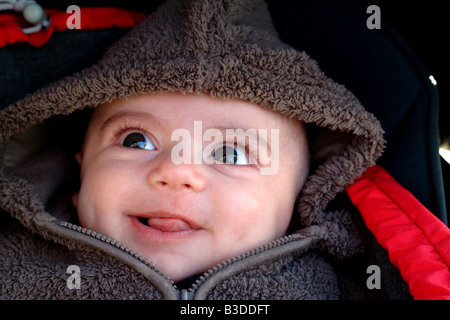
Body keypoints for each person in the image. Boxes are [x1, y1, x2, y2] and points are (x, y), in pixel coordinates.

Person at [0, 0, 417, 299]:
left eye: (230, 154)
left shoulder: (344, 284)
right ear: (81, 172)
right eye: (135, 140)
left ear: (301, 196)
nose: (177, 171)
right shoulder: (15, 264)